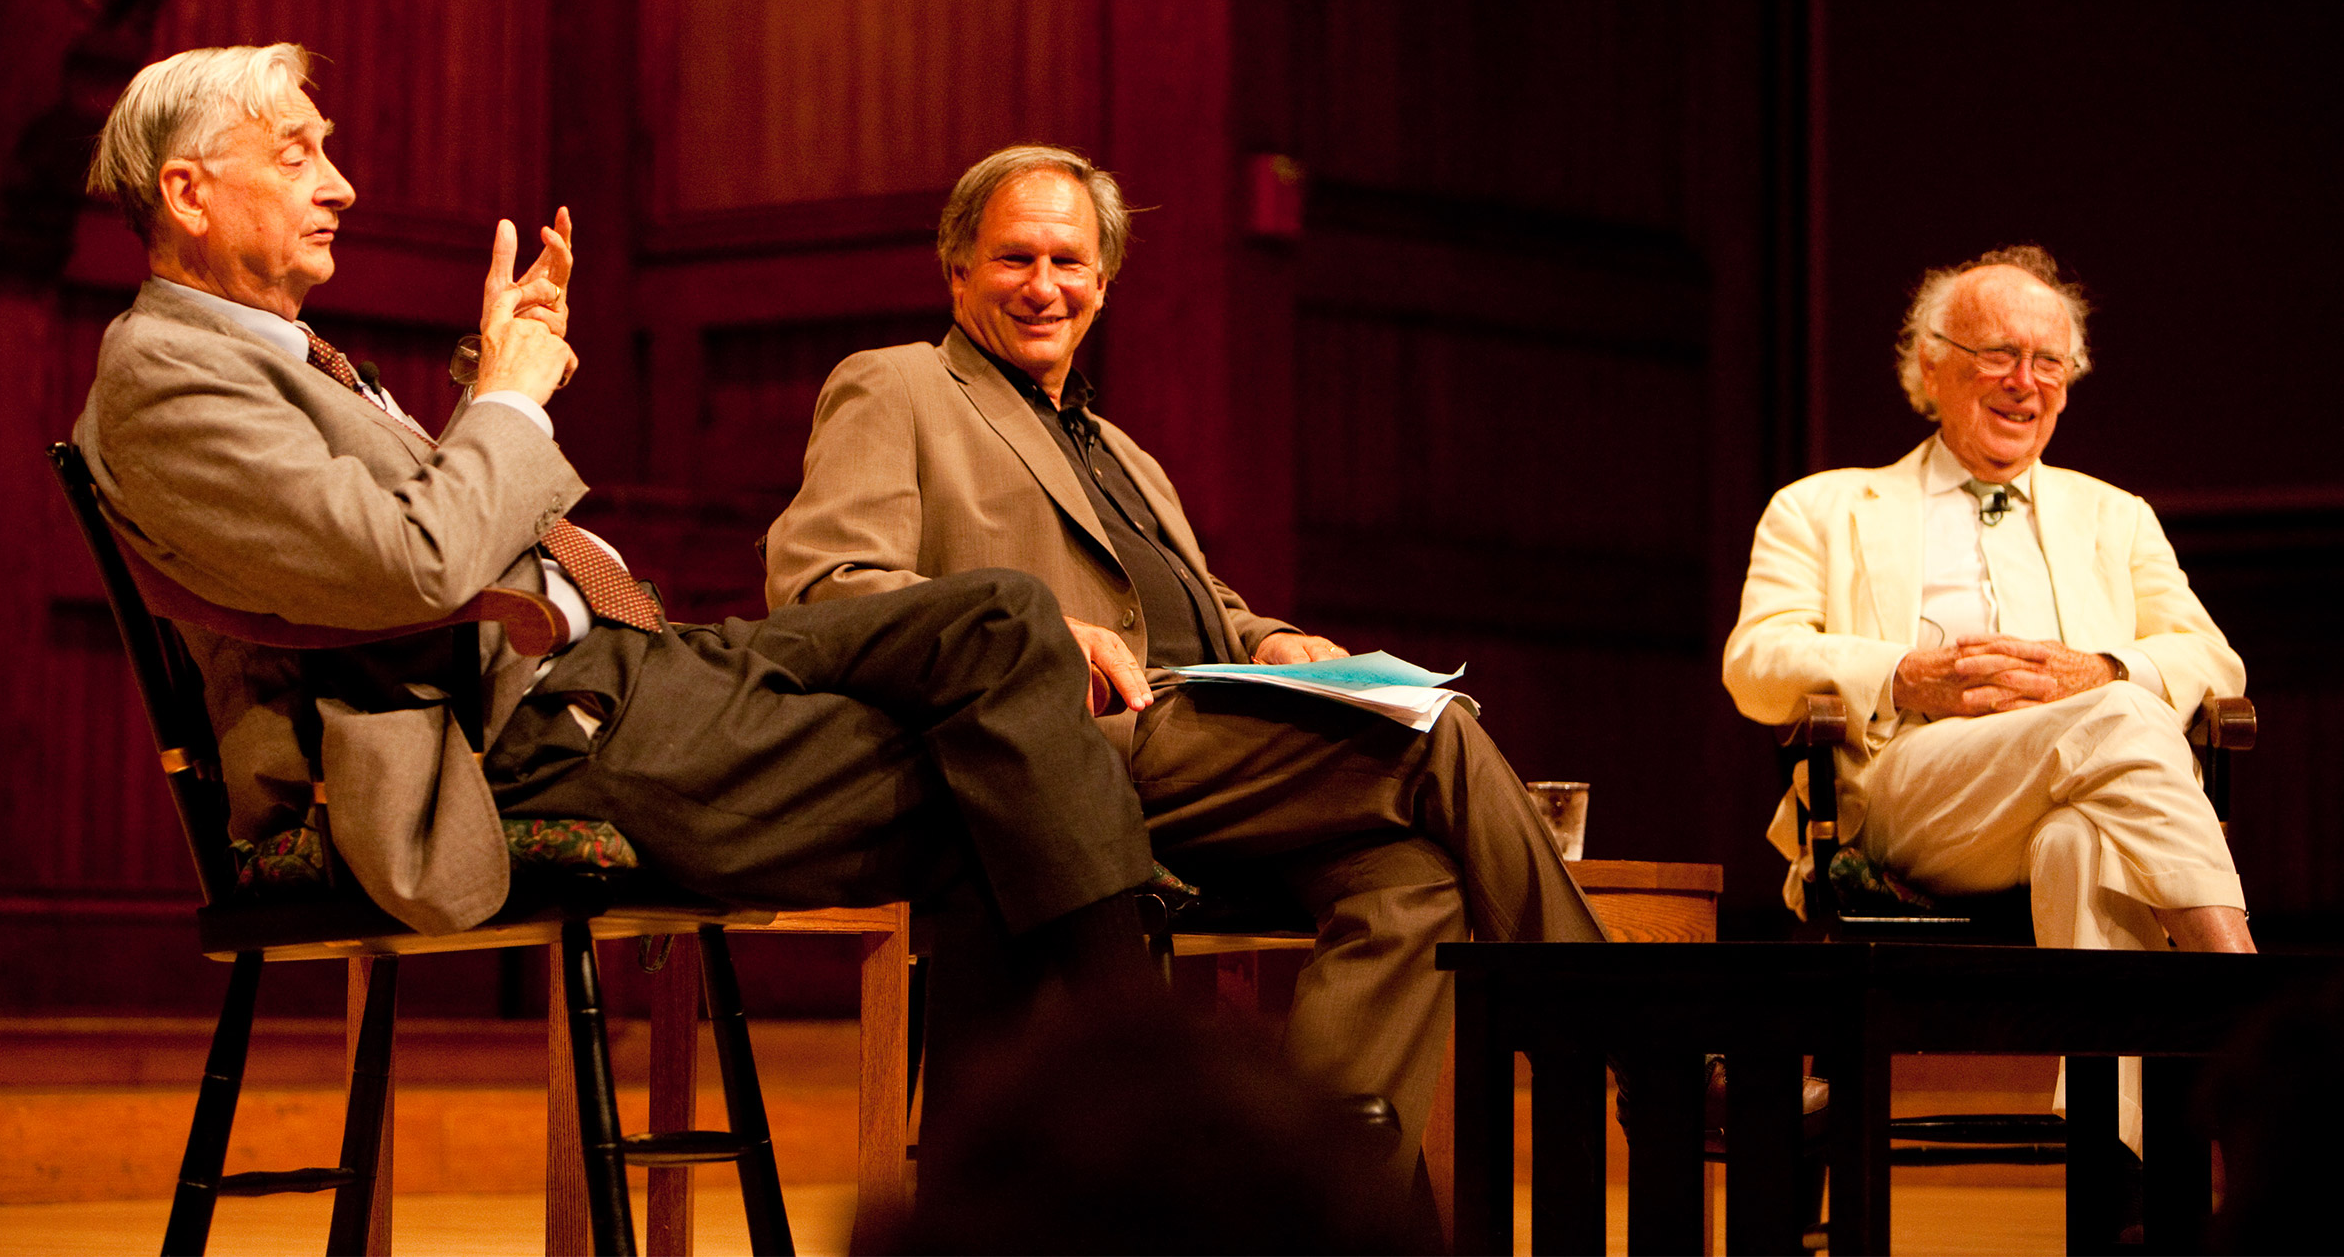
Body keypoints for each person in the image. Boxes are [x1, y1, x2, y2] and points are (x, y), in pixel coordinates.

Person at [71, 45, 1163, 1116]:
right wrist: (508, 399)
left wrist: (496, 370)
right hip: (540, 733)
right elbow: (416, 565)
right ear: (189, 191)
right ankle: (1144, 1107)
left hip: (626, 668)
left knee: (1003, 617)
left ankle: (1061, 1153)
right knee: (999, 773)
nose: (340, 183)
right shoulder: (171, 379)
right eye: (298, 152)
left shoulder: (271, 354)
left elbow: (406, 549)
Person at [762, 143, 1607, 1171]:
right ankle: (1634, 1053)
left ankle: (1303, 1205)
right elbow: (820, 588)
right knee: (1437, 737)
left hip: (1195, 752)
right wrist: (1018, 629)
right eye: (1013, 258)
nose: (1043, 286)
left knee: (1410, 877)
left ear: (1104, 284)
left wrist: (1273, 640)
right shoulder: (897, 386)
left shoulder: (1125, 454)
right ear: (956, 271)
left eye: (1068, 262)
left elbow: (1205, 612)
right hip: (1049, 758)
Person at [1724, 244, 2252, 1150]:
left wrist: (2105, 671)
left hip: (2086, 784)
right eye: (1996, 354)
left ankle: (2115, 1175)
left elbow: (2215, 660)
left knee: (2083, 836)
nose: (2024, 381)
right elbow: (1756, 660)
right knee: (2125, 717)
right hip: (1912, 789)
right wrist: (1903, 674)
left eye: (2049, 362)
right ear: (1930, 365)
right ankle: (2247, 1009)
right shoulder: (1820, 507)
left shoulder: (2115, 515)